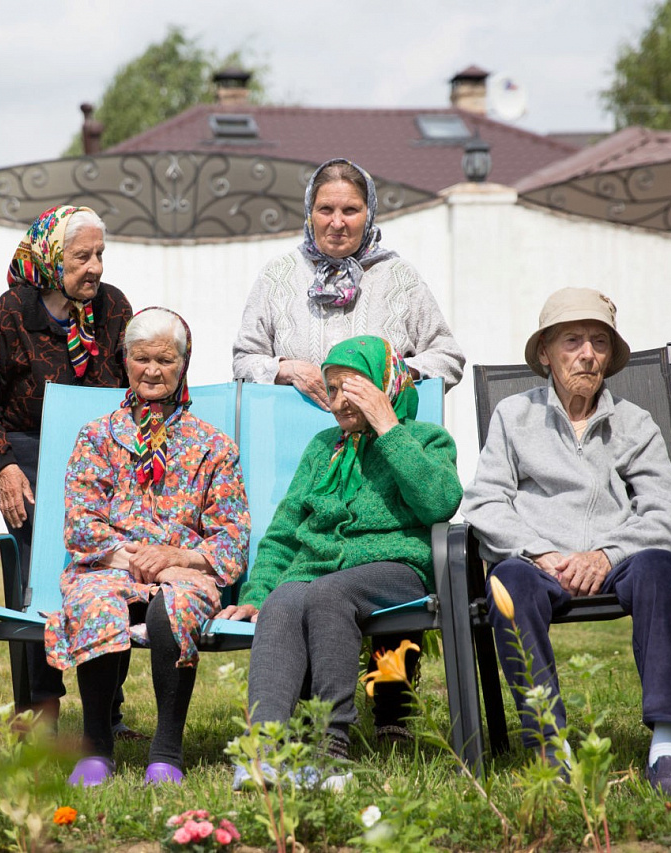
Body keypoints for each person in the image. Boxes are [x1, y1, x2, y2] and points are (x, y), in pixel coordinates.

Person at [231, 157, 466, 745]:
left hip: (389, 468)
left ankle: (377, 721)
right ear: (309, 213)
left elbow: (447, 358)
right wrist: (288, 371)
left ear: (369, 214)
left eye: (350, 210)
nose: (337, 222)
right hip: (317, 447)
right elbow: (243, 359)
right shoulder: (279, 277)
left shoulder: (399, 280)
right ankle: (267, 749)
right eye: (326, 209)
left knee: (337, 591)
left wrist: (387, 394)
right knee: (296, 593)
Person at [459, 287, 671, 798]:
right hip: (538, 559)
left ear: (610, 358)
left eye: (599, 343)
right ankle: (551, 744)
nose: (587, 354)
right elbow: (486, 503)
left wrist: (606, 555)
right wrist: (538, 551)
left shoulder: (634, 422)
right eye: (572, 341)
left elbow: (667, 510)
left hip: (615, 559)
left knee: (660, 569)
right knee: (507, 582)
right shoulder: (513, 416)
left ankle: (667, 742)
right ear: (546, 352)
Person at [218, 336, 463, 791]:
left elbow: (439, 503)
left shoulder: (425, 438)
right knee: (284, 600)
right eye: (332, 389)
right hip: (318, 571)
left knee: (328, 592)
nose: (340, 400)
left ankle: (329, 751)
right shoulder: (322, 447)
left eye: (353, 387)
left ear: (386, 385)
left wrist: (388, 427)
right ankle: (263, 753)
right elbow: (285, 530)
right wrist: (257, 593)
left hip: (395, 568)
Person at [45, 308, 250, 787]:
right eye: (141, 359)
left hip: (185, 573)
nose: (153, 371)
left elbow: (231, 538)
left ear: (184, 365)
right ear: (125, 361)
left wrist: (181, 560)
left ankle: (166, 752)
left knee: (174, 609)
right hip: (109, 567)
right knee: (94, 600)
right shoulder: (97, 437)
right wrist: (149, 565)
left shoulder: (213, 446)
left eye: (165, 359)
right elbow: (81, 527)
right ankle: (95, 749)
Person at [0, 205, 139, 738]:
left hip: (104, 455)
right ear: (49, 257)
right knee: (52, 561)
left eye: (100, 255)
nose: (95, 268)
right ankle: (43, 705)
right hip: (33, 450)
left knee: (115, 561)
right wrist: (5, 467)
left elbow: (137, 391)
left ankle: (106, 709)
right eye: (81, 256)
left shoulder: (113, 309)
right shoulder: (13, 311)